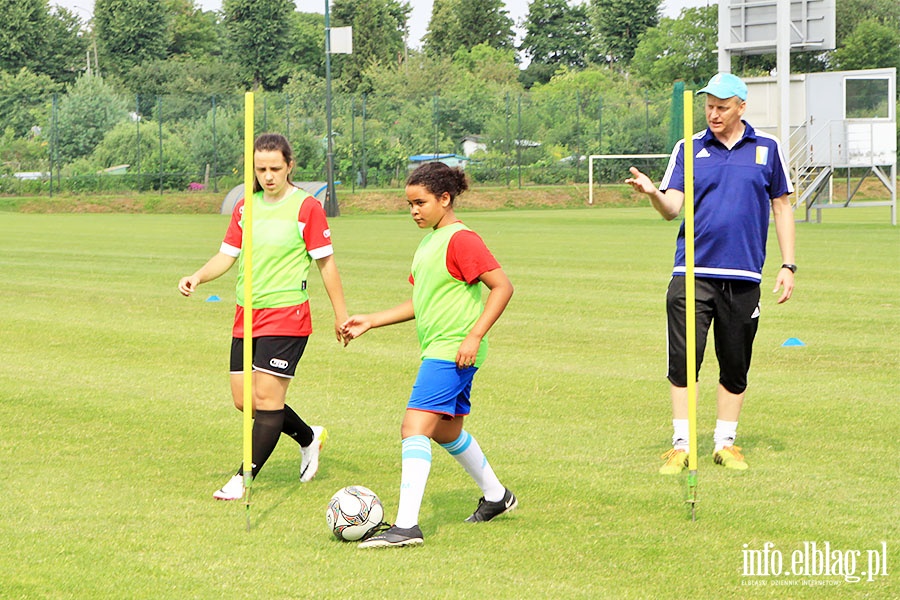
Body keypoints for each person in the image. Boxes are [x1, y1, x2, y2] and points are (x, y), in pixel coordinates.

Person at [625, 73, 796, 474]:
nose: (713, 113)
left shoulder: (767, 149)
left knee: (735, 363)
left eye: (721, 106)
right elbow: (672, 210)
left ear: (741, 106)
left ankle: (726, 444)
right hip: (692, 272)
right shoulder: (689, 147)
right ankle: (681, 445)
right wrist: (653, 194)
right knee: (685, 360)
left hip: (744, 276)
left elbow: (783, 207)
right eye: (709, 106)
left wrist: (788, 265)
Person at [341, 161, 516, 548]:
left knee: (413, 427)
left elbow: (502, 287)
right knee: (446, 430)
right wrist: (371, 320)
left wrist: (473, 336)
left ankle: (406, 526)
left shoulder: (461, 239)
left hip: (452, 350)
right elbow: (420, 301)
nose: (414, 211)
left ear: (445, 198)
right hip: (441, 348)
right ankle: (497, 496)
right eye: (409, 204)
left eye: (420, 203)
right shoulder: (429, 243)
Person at [178, 133, 348, 500]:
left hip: (287, 314)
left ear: (290, 166)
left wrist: (341, 314)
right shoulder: (245, 206)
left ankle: (242, 478)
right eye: (260, 169)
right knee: (245, 402)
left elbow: (327, 264)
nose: (268, 176)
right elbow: (226, 255)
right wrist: (197, 276)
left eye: (275, 168)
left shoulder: (307, 207)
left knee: (268, 399)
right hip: (247, 314)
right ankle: (308, 436)